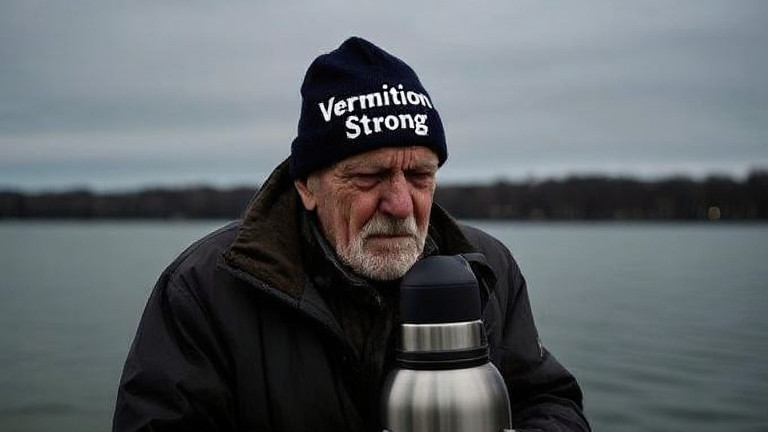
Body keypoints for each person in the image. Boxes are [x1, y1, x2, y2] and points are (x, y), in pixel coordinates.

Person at [113, 36, 590, 432]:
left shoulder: (487, 268)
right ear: (306, 186)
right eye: (368, 178)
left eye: (420, 177)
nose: (400, 204)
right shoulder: (206, 289)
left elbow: (550, 400)